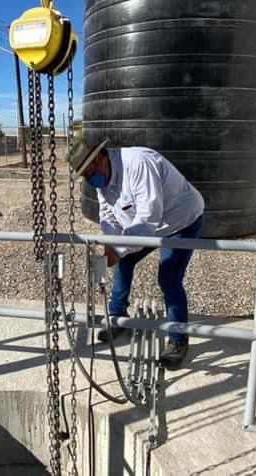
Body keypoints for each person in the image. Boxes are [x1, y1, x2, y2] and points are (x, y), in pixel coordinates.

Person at [67, 137, 205, 370]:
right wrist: (111, 242)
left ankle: (177, 339)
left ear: (101, 157)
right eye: (85, 176)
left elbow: (148, 217)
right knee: (123, 263)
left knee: (169, 278)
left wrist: (118, 249)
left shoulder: (138, 163)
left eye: (90, 172)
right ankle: (118, 318)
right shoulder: (100, 177)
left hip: (180, 221)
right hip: (146, 225)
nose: (90, 179)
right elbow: (107, 213)